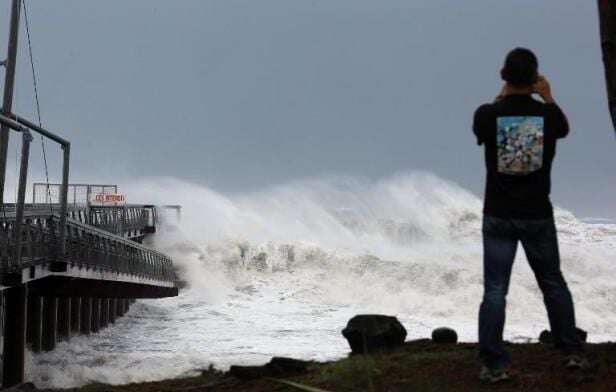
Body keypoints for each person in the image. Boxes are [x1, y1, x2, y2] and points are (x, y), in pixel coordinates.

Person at [472, 47, 584, 383]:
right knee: (552, 283)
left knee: (494, 290)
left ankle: (493, 364)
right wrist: (547, 96)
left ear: (504, 75)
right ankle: (572, 354)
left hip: (498, 215)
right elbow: (564, 128)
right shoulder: (549, 117)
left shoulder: (487, 114)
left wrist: (501, 95)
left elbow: (482, 126)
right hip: (537, 214)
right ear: (535, 78)